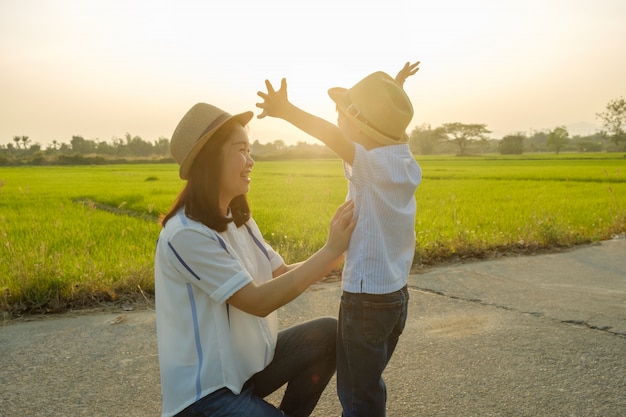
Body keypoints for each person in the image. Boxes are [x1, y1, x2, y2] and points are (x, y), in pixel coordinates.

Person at [154, 102, 357, 417]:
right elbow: (257, 300)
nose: (251, 161)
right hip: (204, 395)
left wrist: (343, 250)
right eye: (241, 150)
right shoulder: (185, 233)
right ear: (210, 158)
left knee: (327, 335)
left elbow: (280, 273)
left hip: (244, 372)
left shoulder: (237, 218)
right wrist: (331, 250)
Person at [256, 61, 422, 417]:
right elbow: (382, 122)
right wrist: (395, 86)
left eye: (341, 114)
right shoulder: (404, 162)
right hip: (396, 298)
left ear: (360, 126)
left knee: (357, 396)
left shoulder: (371, 166)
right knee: (369, 385)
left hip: (365, 302)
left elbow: (334, 138)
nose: (337, 121)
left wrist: (287, 111)